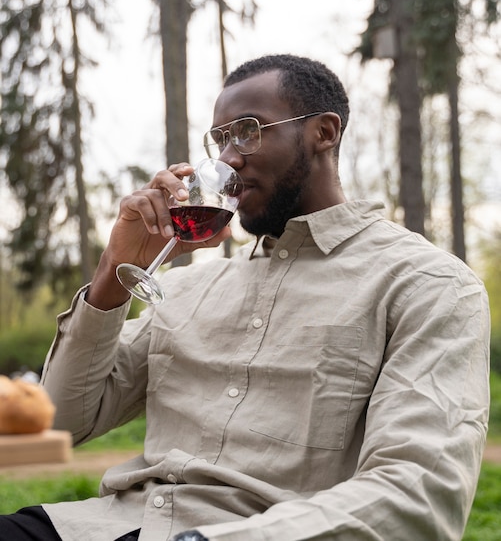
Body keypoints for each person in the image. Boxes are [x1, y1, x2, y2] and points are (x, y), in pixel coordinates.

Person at [0, 54, 490, 541]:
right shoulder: (186, 289)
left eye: (249, 130)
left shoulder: (428, 284)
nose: (229, 158)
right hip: (100, 526)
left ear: (324, 132)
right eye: (220, 138)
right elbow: (63, 418)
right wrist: (114, 268)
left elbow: (419, 493)